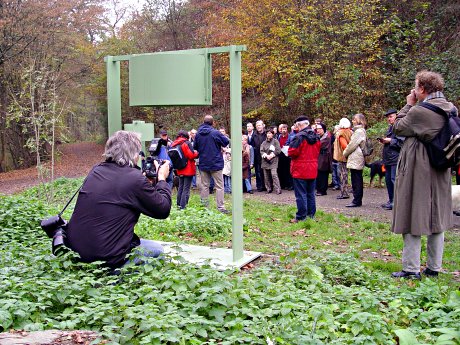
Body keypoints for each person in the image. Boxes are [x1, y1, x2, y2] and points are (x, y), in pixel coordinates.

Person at [66, 130, 172, 269]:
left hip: (77, 252)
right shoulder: (134, 179)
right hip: (107, 258)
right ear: (134, 154)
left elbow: (119, 188)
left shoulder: (96, 170)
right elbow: (162, 210)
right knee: (157, 250)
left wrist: (144, 182)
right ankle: (118, 276)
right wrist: (162, 179)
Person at [391, 71, 456, 279]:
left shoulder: (420, 111)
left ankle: (411, 268)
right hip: (440, 167)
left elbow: (398, 127)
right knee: (437, 216)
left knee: (412, 212)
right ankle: (433, 267)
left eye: (415, 86)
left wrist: (409, 104)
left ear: (421, 89)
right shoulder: (450, 108)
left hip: (419, 167)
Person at [194, 115, 230, 214]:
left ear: (203, 122)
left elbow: (195, 147)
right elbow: (226, 142)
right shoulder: (215, 133)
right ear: (212, 122)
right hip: (216, 163)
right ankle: (221, 207)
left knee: (204, 186)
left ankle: (204, 208)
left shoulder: (198, 134)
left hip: (204, 163)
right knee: (219, 186)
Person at [288, 116, 320, 222]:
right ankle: (311, 215)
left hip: (300, 169)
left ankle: (301, 216)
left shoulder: (299, 137)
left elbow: (292, 152)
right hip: (313, 168)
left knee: (301, 194)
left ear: (300, 125)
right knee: (311, 193)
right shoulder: (316, 136)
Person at [380, 109, 405, 210]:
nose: (389, 119)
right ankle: (391, 200)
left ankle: (397, 202)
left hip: (396, 159)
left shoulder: (400, 128)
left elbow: (402, 143)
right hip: (388, 159)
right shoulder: (390, 128)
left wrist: (390, 141)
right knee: (388, 181)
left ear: (396, 116)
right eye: (388, 117)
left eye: (391, 117)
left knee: (394, 181)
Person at [343, 113, 367, 207]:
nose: (352, 121)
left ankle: (357, 201)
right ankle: (356, 200)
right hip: (355, 157)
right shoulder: (358, 131)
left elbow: (352, 145)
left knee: (356, 179)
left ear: (359, 120)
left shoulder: (359, 131)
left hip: (356, 157)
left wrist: (345, 153)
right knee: (355, 178)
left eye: (354, 119)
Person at [171, 130, 199, 209]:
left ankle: (178, 204)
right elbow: (190, 155)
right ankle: (183, 207)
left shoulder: (175, 143)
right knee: (186, 188)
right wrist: (196, 153)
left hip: (179, 168)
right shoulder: (186, 143)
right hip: (188, 168)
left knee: (180, 187)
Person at [333, 118, 352, 199]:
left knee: (343, 175)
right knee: (345, 175)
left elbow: (344, 146)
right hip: (348, 156)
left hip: (342, 157)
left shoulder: (341, 133)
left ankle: (344, 193)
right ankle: (345, 192)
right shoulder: (350, 131)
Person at [260, 129, 282, 194]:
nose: (269, 134)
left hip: (273, 161)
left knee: (274, 174)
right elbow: (261, 151)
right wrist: (266, 155)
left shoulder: (275, 141)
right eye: (267, 133)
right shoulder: (263, 142)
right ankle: (268, 188)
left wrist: (272, 155)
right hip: (265, 161)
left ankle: (278, 189)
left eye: (270, 133)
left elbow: (278, 150)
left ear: (272, 134)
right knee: (266, 176)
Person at [315, 123, 332, 196]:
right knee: (319, 175)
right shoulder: (318, 137)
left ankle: (322, 190)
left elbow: (319, 146)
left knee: (323, 175)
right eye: (317, 129)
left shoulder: (326, 138)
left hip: (324, 159)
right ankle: (319, 189)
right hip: (319, 158)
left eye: (320, 129)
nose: (318, 130)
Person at [252, 120, 267, 192]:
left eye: (260, 125)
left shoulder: (267, 134)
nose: (258, 127)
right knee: (258, 172)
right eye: (257, 126)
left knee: (265, 172)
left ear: (263, 126)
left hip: (266, 156)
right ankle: (259, 186)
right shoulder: (254, 135)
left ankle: (267, 186)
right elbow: (252, 145)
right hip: (257, 156)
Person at [277, 124, 293, 190]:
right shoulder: (279, 136)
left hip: (287, 155)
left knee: (288, 171)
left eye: (285, 129)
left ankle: (289, 185)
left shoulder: (290, 137)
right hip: (280, 155)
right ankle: (282, 184)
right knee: (281, 170)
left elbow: (291, 145)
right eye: (282, 129)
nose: (283, 130)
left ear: (287, 130)